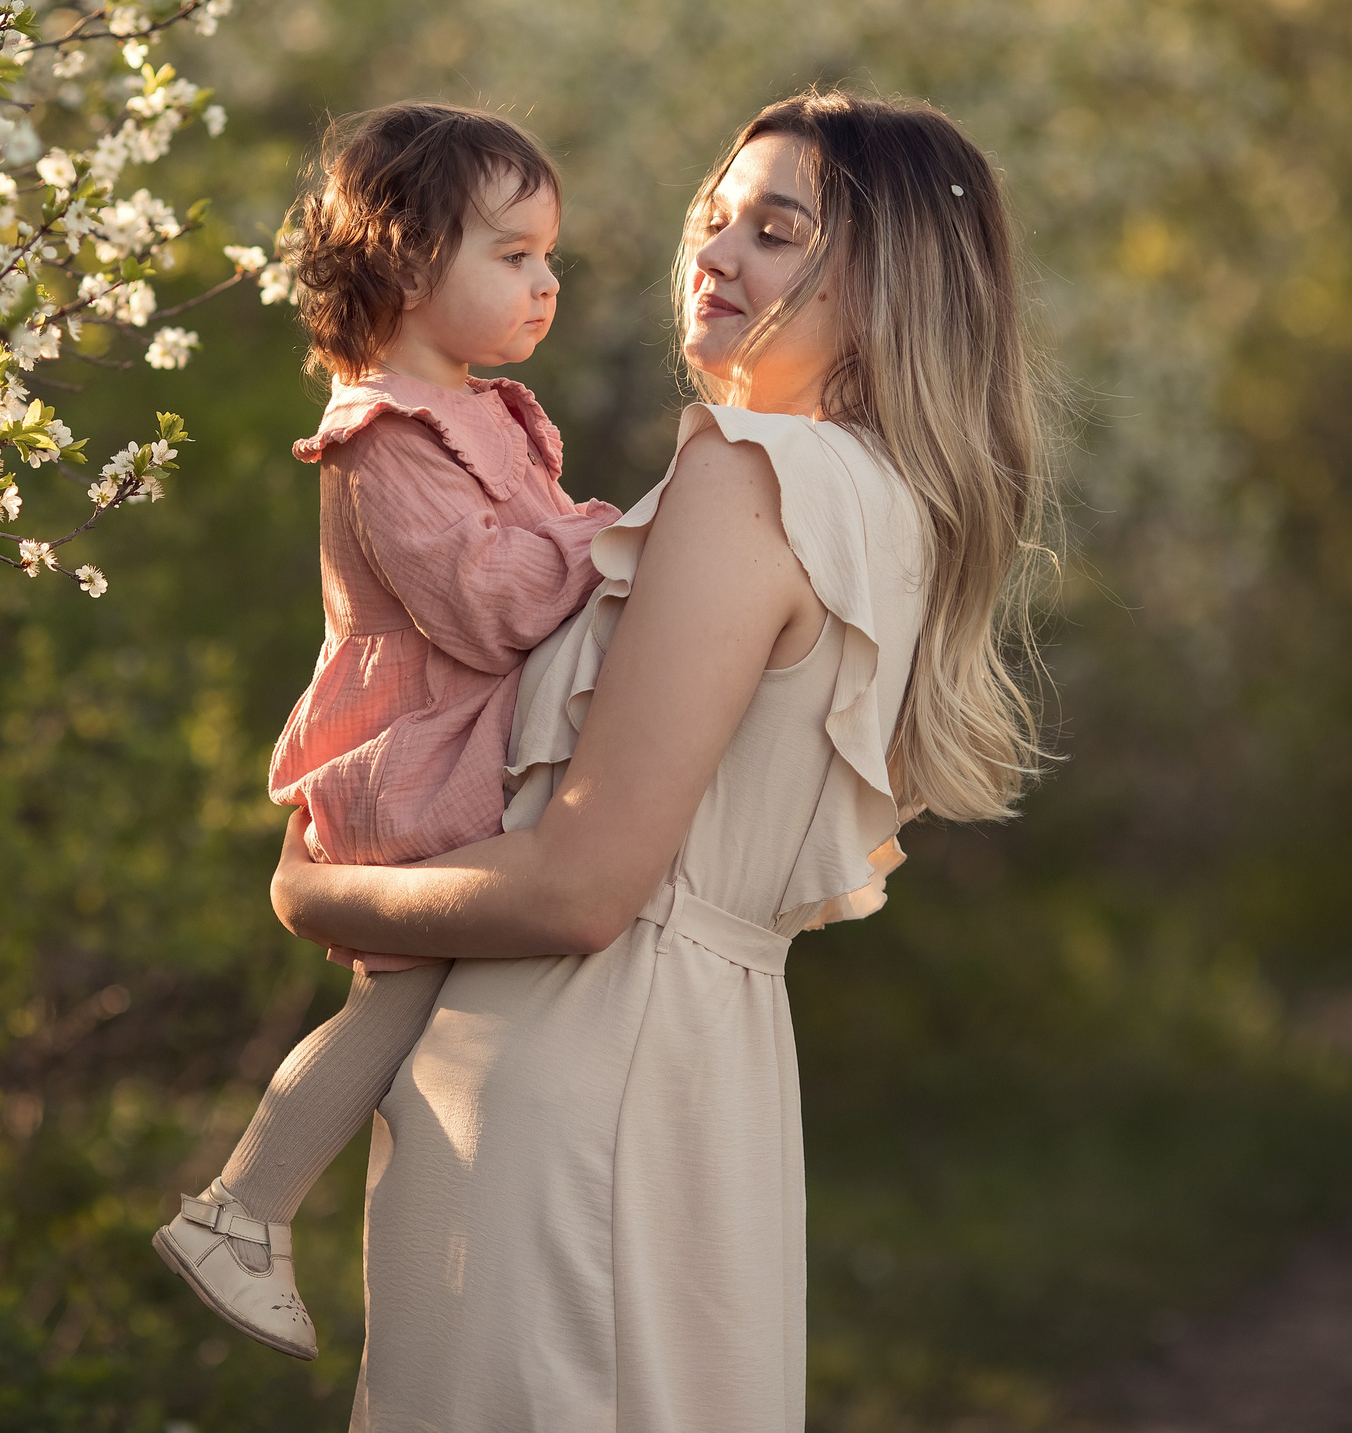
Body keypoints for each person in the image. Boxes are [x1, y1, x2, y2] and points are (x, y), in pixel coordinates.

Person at [269, 89, 1054, 1429]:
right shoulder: (891, 500)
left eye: (777, 232)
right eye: (717, 217)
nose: (716, 253)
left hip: (575, 1057)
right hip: (709, 1068)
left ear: (891, 284)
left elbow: (582, 887)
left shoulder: (749, 472)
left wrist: (315, 893)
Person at [153, 103, 621, 1358]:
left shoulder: (479, 408)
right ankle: (239, 1211)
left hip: (465, 730)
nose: (546, 283)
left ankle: (298, 1218)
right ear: (410, 265)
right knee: (395, 1007)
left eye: (547, 256)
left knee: (436, 1010)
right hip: (414, 745)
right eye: (513, 255)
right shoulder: (380, 437)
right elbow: (491, 605)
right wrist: (614, 539)